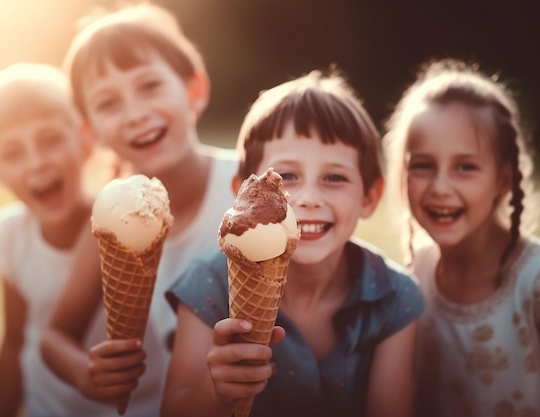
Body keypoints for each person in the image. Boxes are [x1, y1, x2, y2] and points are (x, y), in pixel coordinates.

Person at [161, 69, 425, 417]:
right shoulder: (209, 283)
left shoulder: (394, 296)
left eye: (334, 177)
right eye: (286, 176)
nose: (309, 198)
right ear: (243, 192)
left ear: (370, 197)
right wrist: (216, 391)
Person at [39, 3, 237, 416]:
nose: (135, 113)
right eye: (109, 103)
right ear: (91, 132)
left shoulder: (246, 184)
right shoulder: (109, 221)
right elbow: (55, 336)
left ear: (194, 90)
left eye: (149, 86)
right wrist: (83, 372)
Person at [382, 58, 540, 417]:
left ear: (503, 179)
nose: (440, 188)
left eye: (465, 167)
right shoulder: (413, 274)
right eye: (422, 165)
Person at [0, 63, 103, 417]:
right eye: (13, 153)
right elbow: (14, 341)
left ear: (85, 140)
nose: (36, 163)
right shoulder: (11, 235)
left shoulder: (123, 223)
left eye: (51, 140)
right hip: (46, 407)